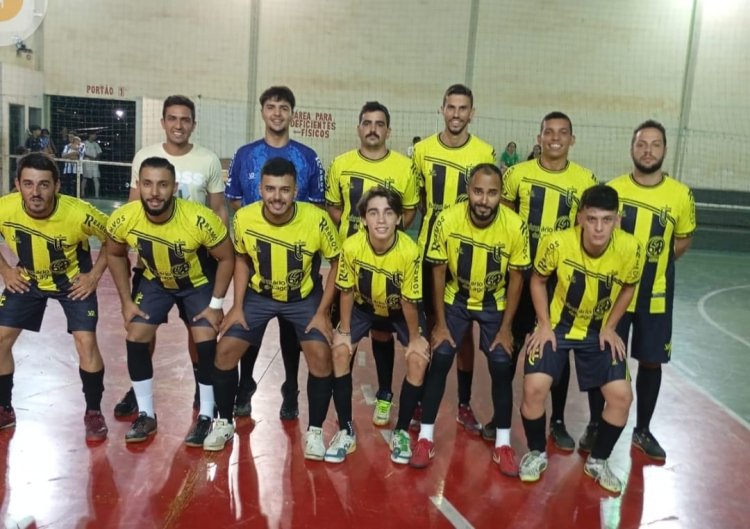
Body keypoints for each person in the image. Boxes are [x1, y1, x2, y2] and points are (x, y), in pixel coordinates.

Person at [203, 157, 339, 458]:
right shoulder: (244, 218)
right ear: (260, 188)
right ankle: (224, 422)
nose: (277, 197)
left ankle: (315, 432)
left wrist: (322, 312)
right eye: (270, 189)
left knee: (320, 357)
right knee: (224, 351)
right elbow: (241, 258)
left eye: (284, 190)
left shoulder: (316, 220)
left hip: (303, 299)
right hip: (259, 296)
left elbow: (337, 263)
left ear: (296, 190)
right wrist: (237, 306)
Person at [578, 120, 696, 459]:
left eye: (655, 144)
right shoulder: (613, 190)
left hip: (655, 294)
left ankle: (642, 430)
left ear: (664, 150)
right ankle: (596, 425)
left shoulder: (680, 195)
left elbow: (683, 239)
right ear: (632, 148)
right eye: (642, 144)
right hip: (612, 294)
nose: (648, 150)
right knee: (604, 356)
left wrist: (651, 262)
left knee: (650, 361)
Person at [518, 184, 644, 494]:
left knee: (621, 397)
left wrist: (611, 325)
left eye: (606, 219)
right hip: (558, 327)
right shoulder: (557, 243)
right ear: (580, 219)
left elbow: (629, 286)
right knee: (534, 388)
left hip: (597, 330)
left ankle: (598, 461)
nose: (599, 227)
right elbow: (538, 279)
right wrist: (544, 324)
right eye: (592, 219)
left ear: (617, 220)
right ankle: (536, 452)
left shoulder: (631, 248)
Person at [113, 95, 228, 419]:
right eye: (173, 119)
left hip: (197, 260)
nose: (179, 125)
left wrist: (217, 243)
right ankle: (139, 393)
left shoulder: (206, 160)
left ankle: (200, 386)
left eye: (185, 119)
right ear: (163, 122)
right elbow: (134, 207)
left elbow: (218, 208)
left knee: (200, 329)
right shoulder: (145, 157)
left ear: (193, 124)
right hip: (153, 261)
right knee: (140, 329)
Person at [411, 163, 529, 475]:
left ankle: (503, 444)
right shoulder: (447, 219)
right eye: (478, 191)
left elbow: (517, 278)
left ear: (501, 195)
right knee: (442, 356)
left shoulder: (515, 226)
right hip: (455, 298)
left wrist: (506, 328)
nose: (484, 199)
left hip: (495, 301)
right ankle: (425, 437)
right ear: (468, 191)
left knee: (502, 363)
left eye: (492, 193)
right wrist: (440, 323)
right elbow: (436, 271)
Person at [107, 157, 234, 445]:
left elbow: (227, 258)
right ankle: (146, 414)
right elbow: (115, 254)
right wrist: (126, 302)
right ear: (138, 185)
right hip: (156, 281)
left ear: (174, 187)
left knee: (204, 339)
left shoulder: (199, 218)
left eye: (162, 185)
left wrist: (216, 306)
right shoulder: (124, 217)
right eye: (148, 184)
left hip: (197, 282)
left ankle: (205, 415)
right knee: (136, 334)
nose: (154, 192)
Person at [224, 86, 325, 421]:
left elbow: (317, 209)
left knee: (292, 329)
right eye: (271, 107)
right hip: (256, 259)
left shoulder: (308, 157)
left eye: (284, 108)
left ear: (292, 114)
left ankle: (291, 389)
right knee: (251, 326)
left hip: (298, 260)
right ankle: (244, 385)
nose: (277, 113)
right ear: (263, 112)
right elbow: (237, 202)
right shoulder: (245, 154)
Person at [498, 111, 597, 449]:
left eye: (562, 132)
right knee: (510, 340)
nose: (555, 138)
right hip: (522, 273)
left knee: (557, 346)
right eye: (549, 132)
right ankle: (500, 418)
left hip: (561, 279)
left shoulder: (585, 180)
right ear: (538, 137)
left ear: (572, 139)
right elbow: (507, 221)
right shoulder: (517, 174)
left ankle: (557, 421)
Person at [0, 153, 109, 441]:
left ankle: (94, 411)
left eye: (44, 185)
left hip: (73, 282)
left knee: (86, 342)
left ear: (57, 186)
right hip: (27, 279)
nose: (35, 193)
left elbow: (114, 236)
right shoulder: (5, 208)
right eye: (28, 184)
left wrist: (94, 276)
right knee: (0, 339)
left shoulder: (78, 212)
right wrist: (5, 271)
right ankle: (4, 407)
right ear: (17, 185)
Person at [326, 101, 419, 427]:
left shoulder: (405, 167)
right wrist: (358, 234)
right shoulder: (341, 164)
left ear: (388, 131)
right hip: (353, 263)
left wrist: (385, 236)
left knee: (383, 335)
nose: (373, 129)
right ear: (359, 128)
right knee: (344, 337)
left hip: (390, 264)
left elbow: (408, 211)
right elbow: (334, 207)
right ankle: (343, 415)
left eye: (379, 124)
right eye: (367, 123)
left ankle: (385, 394)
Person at [411, 83, 497, 434]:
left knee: (462, 335)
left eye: (464, 109)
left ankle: (463, 403)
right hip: (431, 253)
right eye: (451, 107)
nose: (457, 114)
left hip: (469, 254)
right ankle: (421, 401)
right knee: (433, 327)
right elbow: (416, 201)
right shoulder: (422, 151)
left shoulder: (484, 152)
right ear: (442, 109)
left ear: (472, 113)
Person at [329, 187, 429, 464]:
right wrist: (345, 332)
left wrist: (415, 339)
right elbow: (346, 291)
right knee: (339, 350)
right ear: (363, 220)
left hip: (399, 310)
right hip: (364, 307)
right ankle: (346, 430)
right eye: (373, 213)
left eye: (388, 213)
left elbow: (410, 300)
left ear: (399, 218)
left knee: (419, 358)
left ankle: (400, 432)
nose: (381, 220)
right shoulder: (351, 246)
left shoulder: (410, 251)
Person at [82, 132, 103, 198]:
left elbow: (99, 152)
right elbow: (82, 153)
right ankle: (82, 193)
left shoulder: (96, 144)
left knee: (95, 178)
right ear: (90, 135)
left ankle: (97, 195)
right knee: (85, 178)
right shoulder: (84, 143)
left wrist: (96, 157)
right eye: (94, 134)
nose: (95, 136)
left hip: (94, 163)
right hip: (87, 163)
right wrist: (90, 157)